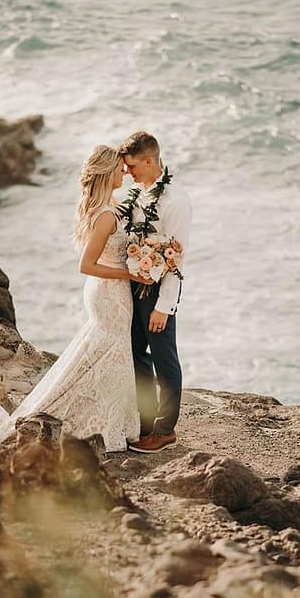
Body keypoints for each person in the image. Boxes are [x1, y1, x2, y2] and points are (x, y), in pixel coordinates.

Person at [0, 145, 148, 453]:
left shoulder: (107, 205)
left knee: (104, 355)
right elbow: (85, 265)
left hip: (106, 291)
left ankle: (109, 419)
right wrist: (131, 274)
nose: (124, 173)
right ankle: (94, 420)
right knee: (111, 354)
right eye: (119, 169)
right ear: (106, 173)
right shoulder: (104, 216)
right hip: (109, 292)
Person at [119, 131, 192, 453]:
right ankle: (146, 422)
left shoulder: (175, 201)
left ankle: (165, 431)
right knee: (135, 355)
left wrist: (165, 306)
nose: (128, 172)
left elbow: (177, 257)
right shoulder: (135, 193)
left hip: (159, 293)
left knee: (165, 361)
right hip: (132, 289)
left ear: (149, 161)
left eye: (132, 166)